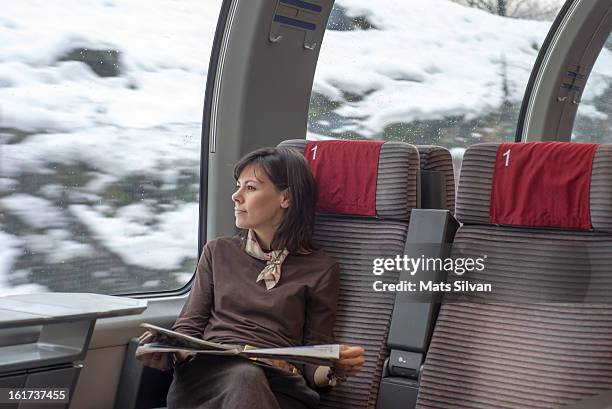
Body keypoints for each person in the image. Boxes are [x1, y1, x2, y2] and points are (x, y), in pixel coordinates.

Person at [137, 147, 365, 409]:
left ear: (286, 198)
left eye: (250, 188)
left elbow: (315, 355)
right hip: (207, 380)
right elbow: (188, 328)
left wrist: (335, 369)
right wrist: (166, 350)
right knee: (243, 376)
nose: (236, 196)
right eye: (238, 186)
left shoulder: (321, 268)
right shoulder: (217, 251)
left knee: (248, 377)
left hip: (279, 385)